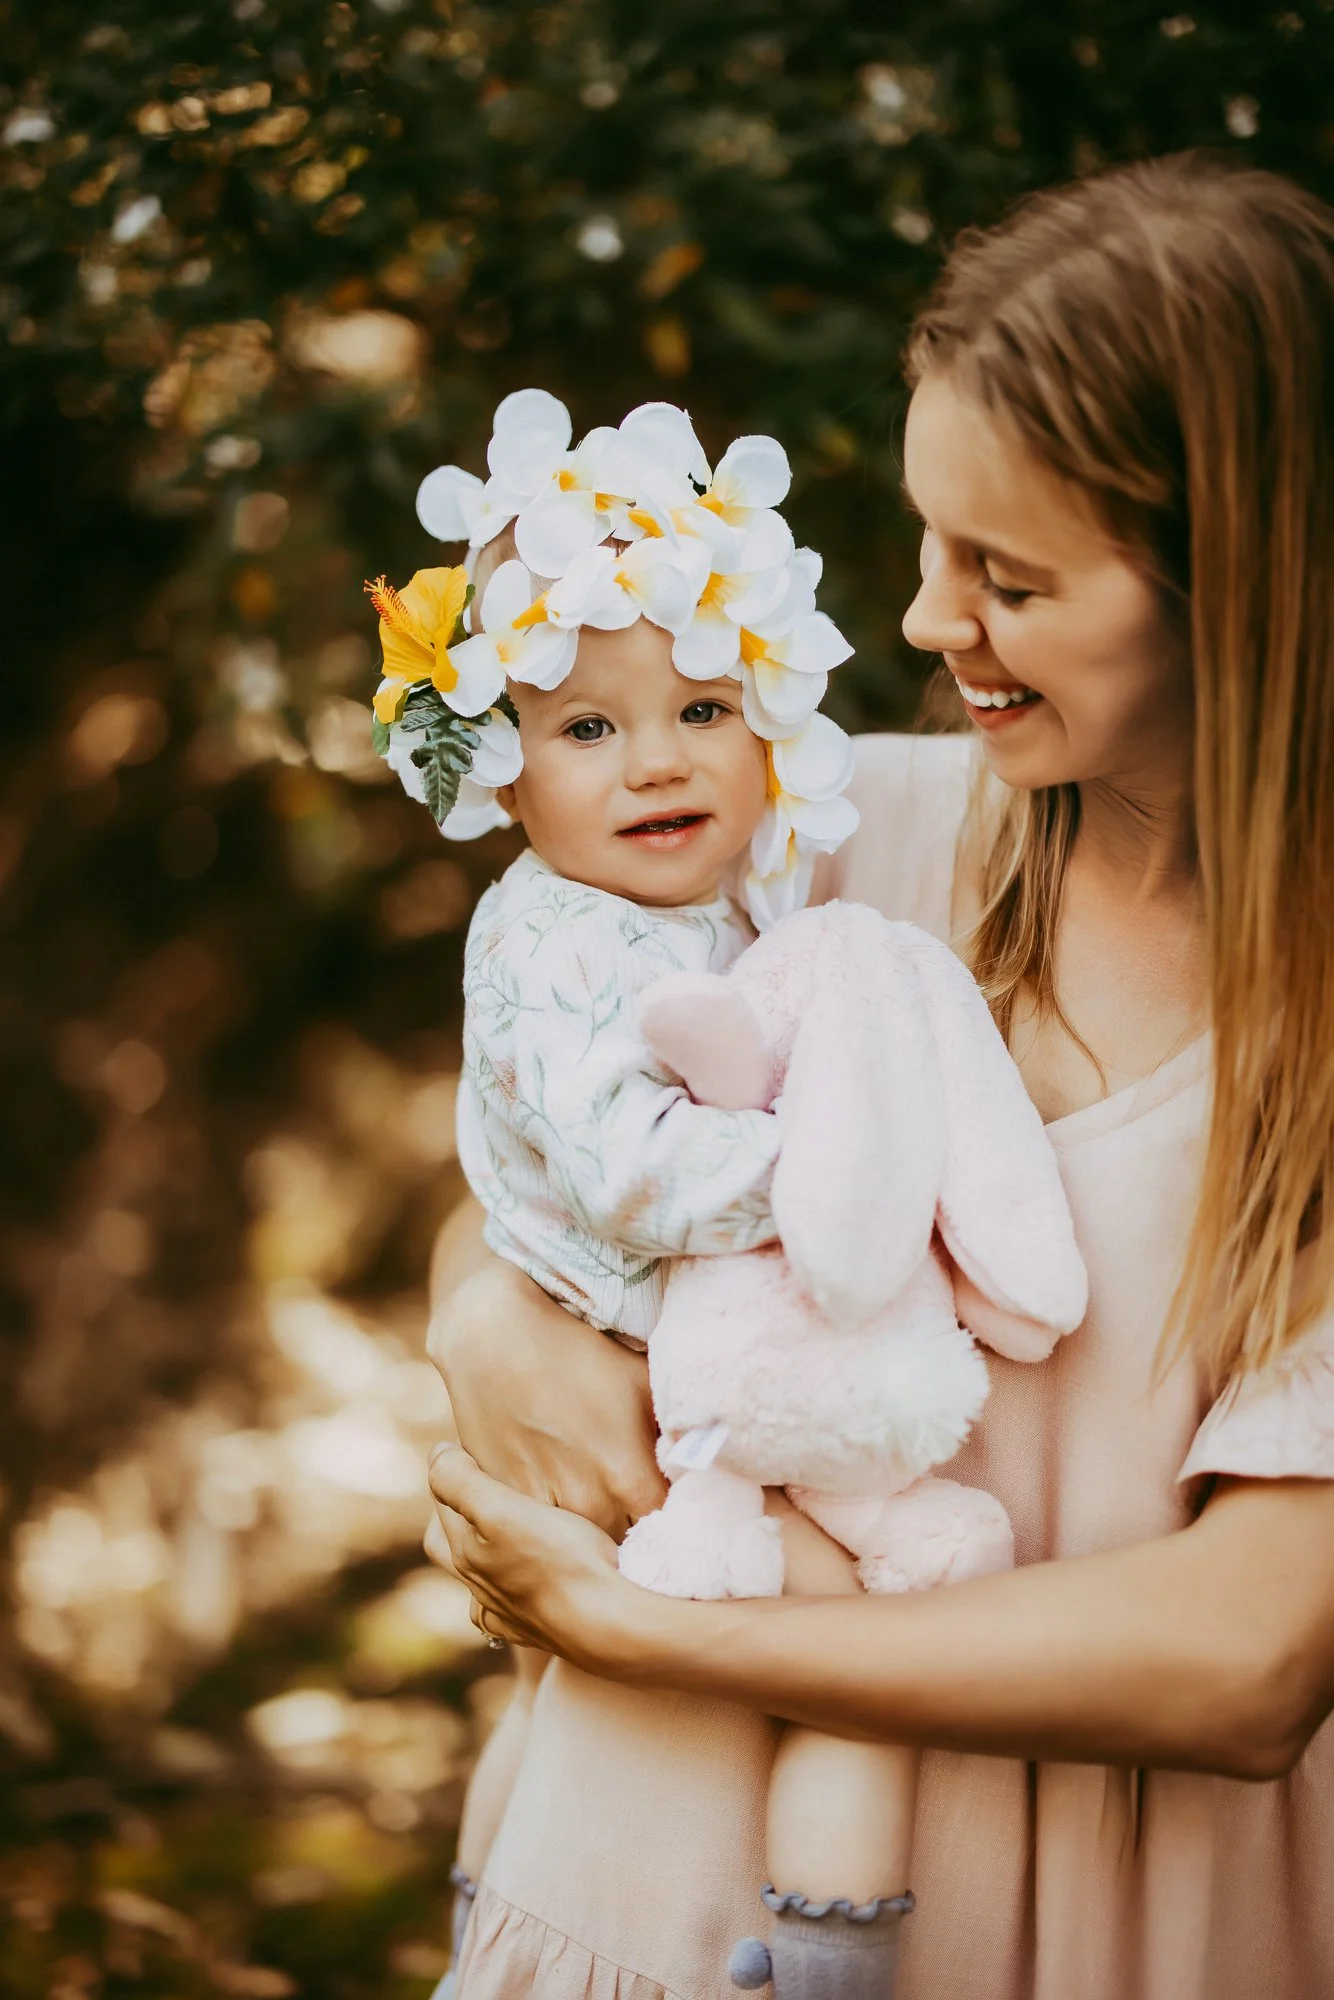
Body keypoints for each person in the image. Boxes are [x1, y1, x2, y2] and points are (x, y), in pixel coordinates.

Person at [423, 152, 1334, 2000]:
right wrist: (486, 1331)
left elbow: (1242, 1661)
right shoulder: (823, 847)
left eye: (1005, 577)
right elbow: (541, 1170)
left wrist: (650, 1630)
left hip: (1106, 1930)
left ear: (1243, 587)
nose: (926, 624)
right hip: (666, 1877)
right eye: (929, 547)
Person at [375, 397, 1040, 1995]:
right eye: (587, 729)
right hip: (638, 1347)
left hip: (710, 1350)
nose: (659, 758)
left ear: (770, 720)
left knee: (847, 1639)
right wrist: (840, 1170)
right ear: (497, 778)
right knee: (841, 1667)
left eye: (701, 705)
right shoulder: (554, 935)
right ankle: (798, 1953)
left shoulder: (738, 888)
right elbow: (626, 1169)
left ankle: (785, 1927)